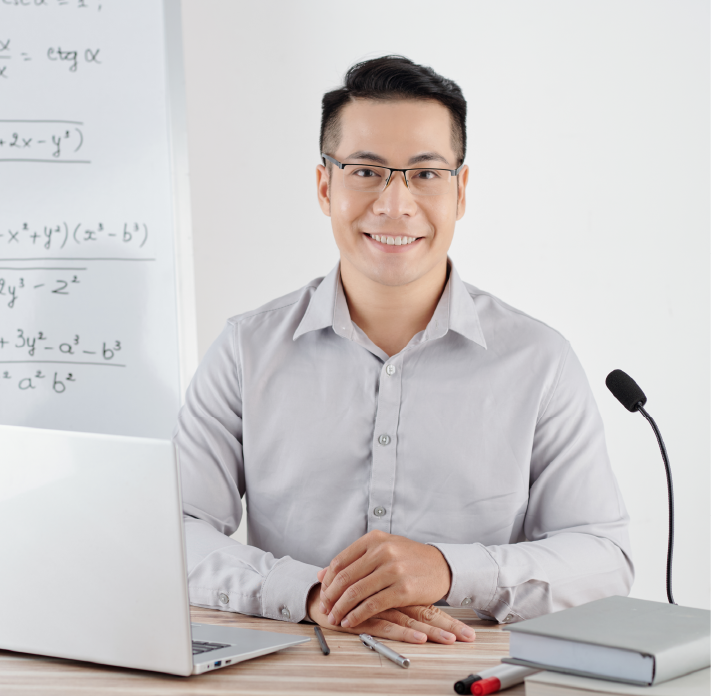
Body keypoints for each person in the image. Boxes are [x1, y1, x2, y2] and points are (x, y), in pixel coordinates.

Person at [173, 55, 633, 646]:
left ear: (460, 191)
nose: (395, 204)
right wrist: (312, 593)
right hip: (293, 665)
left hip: (469, 669)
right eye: (365, 171)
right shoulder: (246, 349)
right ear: (324, 186)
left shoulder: (539, 360)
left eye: (424, 173)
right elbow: (175, 533)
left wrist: (448, 570)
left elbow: (603, 555)